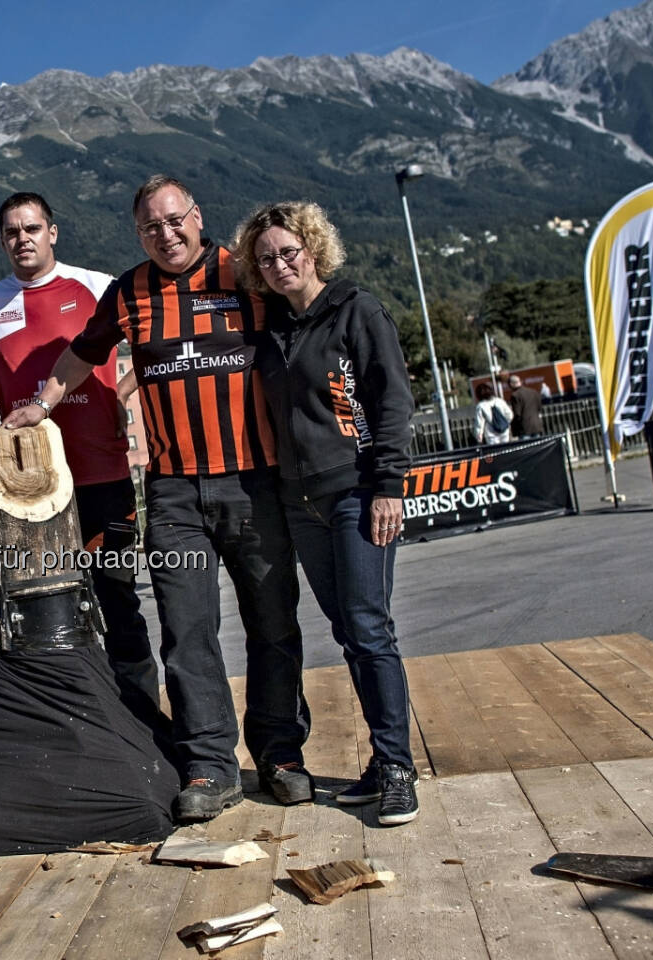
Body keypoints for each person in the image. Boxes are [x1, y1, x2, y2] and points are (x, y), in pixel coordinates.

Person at [4, 175, 310, 822]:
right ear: (137, 234)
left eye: (175, 221)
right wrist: (39, 406)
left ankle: (281, 754)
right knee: (186, 629)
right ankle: (207, 765)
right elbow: (79, 355)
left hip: (256, 483)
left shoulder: (246, 271)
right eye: (151, 227)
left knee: (273, 625)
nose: (166, 235)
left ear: (198, 217)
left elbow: (310, 322)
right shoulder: (129, 291)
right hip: (173, 493)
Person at [234, 200, 419, 826]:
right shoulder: (272, 332)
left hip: (357, 493)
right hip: (300, 500)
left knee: (369, 627)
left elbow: (392, 400)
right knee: (348, 632)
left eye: (289, 251)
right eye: (266, 259)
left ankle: (397, 768)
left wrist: (388, 484)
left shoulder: (357, 311)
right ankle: (379, 762)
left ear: (313, 247)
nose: (280, 264)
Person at [0, 192, 159, 723]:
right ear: (2, 240)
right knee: (51, 610)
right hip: (29, 487)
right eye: (12, 231)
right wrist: (3, 395)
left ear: (53, 232)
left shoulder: (97, 287)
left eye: (32, 228)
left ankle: (145, 723)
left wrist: (122, 392)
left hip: (101, 471)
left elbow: (154, 346)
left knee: (116, 599)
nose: (23, 238)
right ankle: (80, 723)